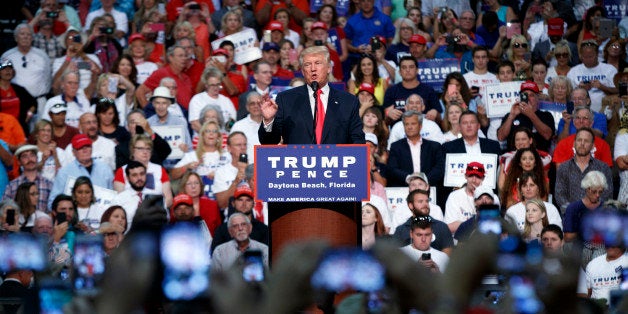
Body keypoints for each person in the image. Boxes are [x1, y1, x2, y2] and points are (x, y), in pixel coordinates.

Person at [259, 46, 365, 145]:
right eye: (307, 64)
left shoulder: (348, 101)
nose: (313, 68)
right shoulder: (286, 99)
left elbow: (358, 140)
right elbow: (268, 142)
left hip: (336, 163)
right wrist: (269, 121)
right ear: (303, 71)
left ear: (329, 68)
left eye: (318, 63)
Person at [48, 134, 114, 210]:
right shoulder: (64, 173)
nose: (85, 150)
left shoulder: (105, 168)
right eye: (80, 148)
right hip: (75, 218)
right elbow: (52, 202)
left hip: (101, 216)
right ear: (73, 152)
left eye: (87, 147)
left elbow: (112, 198)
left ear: (92, 148)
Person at [555, 128, 613, 211]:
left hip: (595, 216)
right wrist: (573, 210)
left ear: (593, 145)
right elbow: (559, 195)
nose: (582, 144)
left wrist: (592, 209)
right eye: (579, 140)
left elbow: (607, 194)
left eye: (586, 141)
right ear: (574, 143)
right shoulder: (564, 167)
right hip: (570, 216)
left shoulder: (603, 168)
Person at [1, 24, 52, 119]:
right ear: (16, 38)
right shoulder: (7, 57)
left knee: (41, 131)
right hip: (16, 103)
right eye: (22, 34)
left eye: (28, 34)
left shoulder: (42, 56)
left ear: (32, 38)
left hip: (39, 102)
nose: (25, 37)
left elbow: (48, 80)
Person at [386, 110, 445, 187]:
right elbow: (392, 169)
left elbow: (439, 168)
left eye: (413, 124)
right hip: (404, 188)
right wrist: (409, 179)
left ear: (420, 126)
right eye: (406, 124)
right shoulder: (396, 146)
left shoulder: (434, 146)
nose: (409, 127)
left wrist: (424, 180)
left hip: (429, 187)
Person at [114, 134, 173, 208]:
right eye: (141, 148)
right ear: (132, 150)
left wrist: (154, 212)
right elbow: (119, 200)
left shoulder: (159, 170)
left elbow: (169, 199)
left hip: (157, 213)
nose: (145, 152)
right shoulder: (122, 171)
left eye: (148, 149)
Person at [496, 81, 555, 152]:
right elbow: (500, 137)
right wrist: (511, 116)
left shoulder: (546, 115)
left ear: (537, 98)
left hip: (539, 157)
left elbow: (547, 135)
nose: (528, 98)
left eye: (531, 95)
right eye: (525, 95)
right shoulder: (511, 115)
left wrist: (531, 114)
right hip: (515, 157)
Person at [211, 184, 269, 253]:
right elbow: (215, 256)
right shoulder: (222, 231)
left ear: (253, 204)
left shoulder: (263, 230)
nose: (244, 204)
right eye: (240, 200)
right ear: (233, 203)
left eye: (248, 200)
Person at [393, 189, 453, 255]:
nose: (425, 204)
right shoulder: (401, 230)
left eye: (427, 201)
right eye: (420, 201)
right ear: (411, 205)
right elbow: (396, 257)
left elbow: (447, 257)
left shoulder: (442, 227)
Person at [383, 56, 440, 125]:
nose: (407, 70)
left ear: (417, 70)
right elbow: (385, 122)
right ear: (400, 72)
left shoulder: (428, 90)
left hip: (424, 130)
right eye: (404, 67)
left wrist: (435, 113)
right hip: (398, 132)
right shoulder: (391, 91)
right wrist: (389, 114)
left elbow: (440, 120)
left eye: (411, 67)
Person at [135, 45, 193, 110]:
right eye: (180, 56)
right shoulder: (161, 73)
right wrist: (149, 113)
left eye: (185, 56)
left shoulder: (186, 78)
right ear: (170, 58)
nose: (184, 58)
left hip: (184, 116)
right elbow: (140, 92)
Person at [566, 40, 617, 112]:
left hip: (606, 111)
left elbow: (618, 91)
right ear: (581, 56)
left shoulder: (609, 69)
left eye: (590, 56)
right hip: (579, 113)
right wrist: (580, 89)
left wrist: (602, 87)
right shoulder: (573, 71)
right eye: (585, 57)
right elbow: (567, 94)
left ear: (597, 54)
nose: (588, 59)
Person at [563, 170, 610, 244]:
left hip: (601, 248)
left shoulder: (606, 208)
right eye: (594, 191)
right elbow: (567, 237)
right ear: (586, 189)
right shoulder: (574, 208)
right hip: (579, 249)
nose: (597, 195)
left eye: (600, 192)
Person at [3, 144, 52, 212]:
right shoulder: (12, 186)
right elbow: (4, 210)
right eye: (25, 156)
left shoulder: (48, 184)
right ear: (19, 162)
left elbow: (52, 209)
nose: (30, 159)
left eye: (32, 155)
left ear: (37, 158)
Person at [188, 67, 237, 134]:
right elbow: (194, 124)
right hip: (202, 140)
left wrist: (223, 135)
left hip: (223, 139)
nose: (215, 87)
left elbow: (232, 121)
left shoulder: (226, 101)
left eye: (218, 84)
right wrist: (209, 135)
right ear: (206, 85)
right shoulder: (197, 99)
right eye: (212, 85)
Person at [171, 172, 221, 236]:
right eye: (189, 184)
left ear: (201, 186)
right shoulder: (177, 205)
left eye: (196, 183)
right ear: (184, 187)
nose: (193, 186)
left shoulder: (212, 205)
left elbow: (218, 230)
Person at [444, 162, 487, 234]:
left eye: (478, 176)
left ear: (483, 178)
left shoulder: (491, 198)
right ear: (466, 176)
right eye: (471, 176)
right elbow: (449, 227)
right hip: (459, 242)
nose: (474, 180)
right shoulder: (454, 196)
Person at [145, 86, 192, 151]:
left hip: (177, 160)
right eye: (157, 103)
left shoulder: (180, 122)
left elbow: (189, 148)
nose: (160, 107)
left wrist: (186, 149)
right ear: (153, 104)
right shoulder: (148, 124)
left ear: (169, 104)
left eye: (164, 103)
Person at [0, 59, 37, 135]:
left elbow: (33, 103)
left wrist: (28, 116)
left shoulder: (19, 90)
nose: (8, 71)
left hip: (19, 129)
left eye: (10, 68)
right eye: (4, 69)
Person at [230, 92, 263, 159]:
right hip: (245, 166)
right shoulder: (238, 126)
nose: (256, 106)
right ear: (247, 107)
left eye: (259, 103)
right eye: (252, 103)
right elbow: (232, 149)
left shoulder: (272, 124)